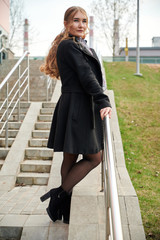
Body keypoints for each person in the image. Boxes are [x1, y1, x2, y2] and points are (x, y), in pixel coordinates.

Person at [40, 6, 112, 224]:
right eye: (76, 20)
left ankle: (62, 204)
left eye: (84, 21)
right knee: (95, 157)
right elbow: (86, 75)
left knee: (70, 157)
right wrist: (103, 99)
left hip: (78, 103)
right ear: (66, 24)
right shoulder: (68, 46)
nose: (81, 25)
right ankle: (59, 195)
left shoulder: (79, 45)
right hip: (76, 105)